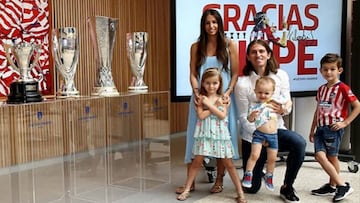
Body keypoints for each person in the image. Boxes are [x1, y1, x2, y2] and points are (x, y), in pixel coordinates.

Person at [176, 8, 239, 195]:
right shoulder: (196, 47)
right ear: (203, 25)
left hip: (223, 98)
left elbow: (235, 73)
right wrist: (196, 92)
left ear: (219, 24)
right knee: (194, 137)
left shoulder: (229, 45)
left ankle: (219, 180)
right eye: (207, 22)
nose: (211, 26)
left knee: (223, 137)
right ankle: (191, 182)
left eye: (215, 22)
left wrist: (227, 92)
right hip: (200, 97)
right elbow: (193, 74)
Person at [234, 39, 306, 203]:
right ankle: (256, 172)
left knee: (299, 143)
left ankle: (287, 186)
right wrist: (260, 135)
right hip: (253, 136)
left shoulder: (281, 75)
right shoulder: (242, 83)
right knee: (252, 189)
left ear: (268, 54)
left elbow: (288, 104)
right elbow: (243, 117)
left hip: (276, 130)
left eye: (261, 51)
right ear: (248, 56)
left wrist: (284, 109)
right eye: (253, 52)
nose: (258, 54)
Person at [176, 68, 246, 203]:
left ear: (220, 84)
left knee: (229, 164)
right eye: (208, 83)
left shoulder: (224, 98)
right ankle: (187, 189)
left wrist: (211, 105)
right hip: (204, 135)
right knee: (196, 162)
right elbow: (201, 115)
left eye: (215, 83)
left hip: (221, 135)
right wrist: (213, 105)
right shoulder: (201, 99)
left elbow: (222, 115)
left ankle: (240, 192)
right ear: (203, 84)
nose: (211, 86)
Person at [309, 53, 360, 202]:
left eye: (332, 69)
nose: (328, 72)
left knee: (330, 157)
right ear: (321, 71)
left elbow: (357, 106)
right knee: (321, 155)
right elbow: (318, 109)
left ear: (340, 70)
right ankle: (334, 185)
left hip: (333, 128)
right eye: (325, 69)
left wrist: (345, 122)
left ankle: (341, 185)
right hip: (320, 128)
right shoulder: (321, 89)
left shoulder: (343, 88)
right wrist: (312, 129)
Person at [242, 76, 282, 191]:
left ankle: (269, 175)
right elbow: (250, 120)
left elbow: (286, 105)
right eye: (260, 92)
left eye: (266, 93)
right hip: (259, 134)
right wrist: (252, 116)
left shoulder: (274, 105)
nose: (263, 95)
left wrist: (282, 108)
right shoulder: (255, 107)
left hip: (273, 136)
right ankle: (248, 174)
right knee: (254, 155)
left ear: (272, 93)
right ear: (255, 91)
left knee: (272, 158)